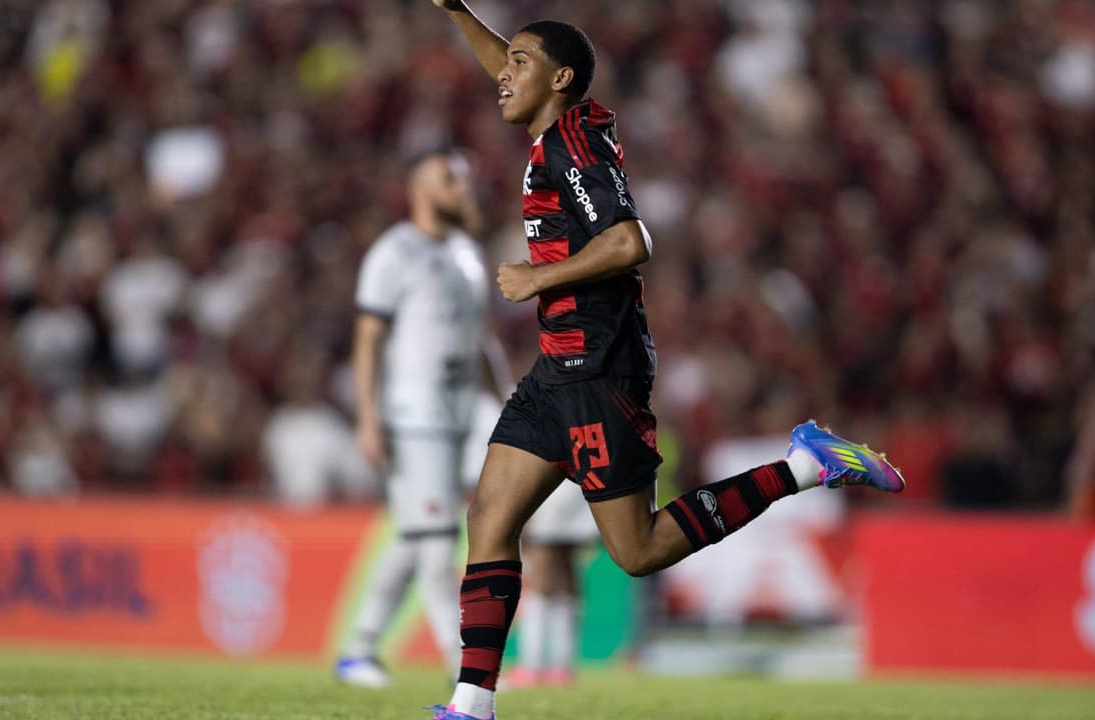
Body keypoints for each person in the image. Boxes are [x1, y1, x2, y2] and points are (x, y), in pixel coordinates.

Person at [424, 3, 905, 719]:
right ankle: (471, 705)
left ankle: (805, 467)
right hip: (556, 368)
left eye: (520, 63)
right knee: (489, 517)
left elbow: (630, 242)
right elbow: (512, 69)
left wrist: (536, 277)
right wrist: (459, 12)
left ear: (559, 80)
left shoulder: (573, 148)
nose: (503, 74)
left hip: (599, 370)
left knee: (639, 550)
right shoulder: (555, 125)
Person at [334, 148, 492, 688]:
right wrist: (368, 416)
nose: (462, 187)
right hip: (415, 414)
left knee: (416, 533)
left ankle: (357, 651)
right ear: (419, 189)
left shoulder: (466, 254)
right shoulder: (394, 251)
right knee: (437, 542)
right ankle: (463, 668)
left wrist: (502, 398)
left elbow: (479, 339)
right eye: (450, 179)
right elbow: (368, 338)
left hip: (461, 412)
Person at [506, 480, 599, 688]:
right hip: (579, 492)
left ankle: (532, 665)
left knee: (541, 582)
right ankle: (561, 666)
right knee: (565, 580)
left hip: (552, 497)